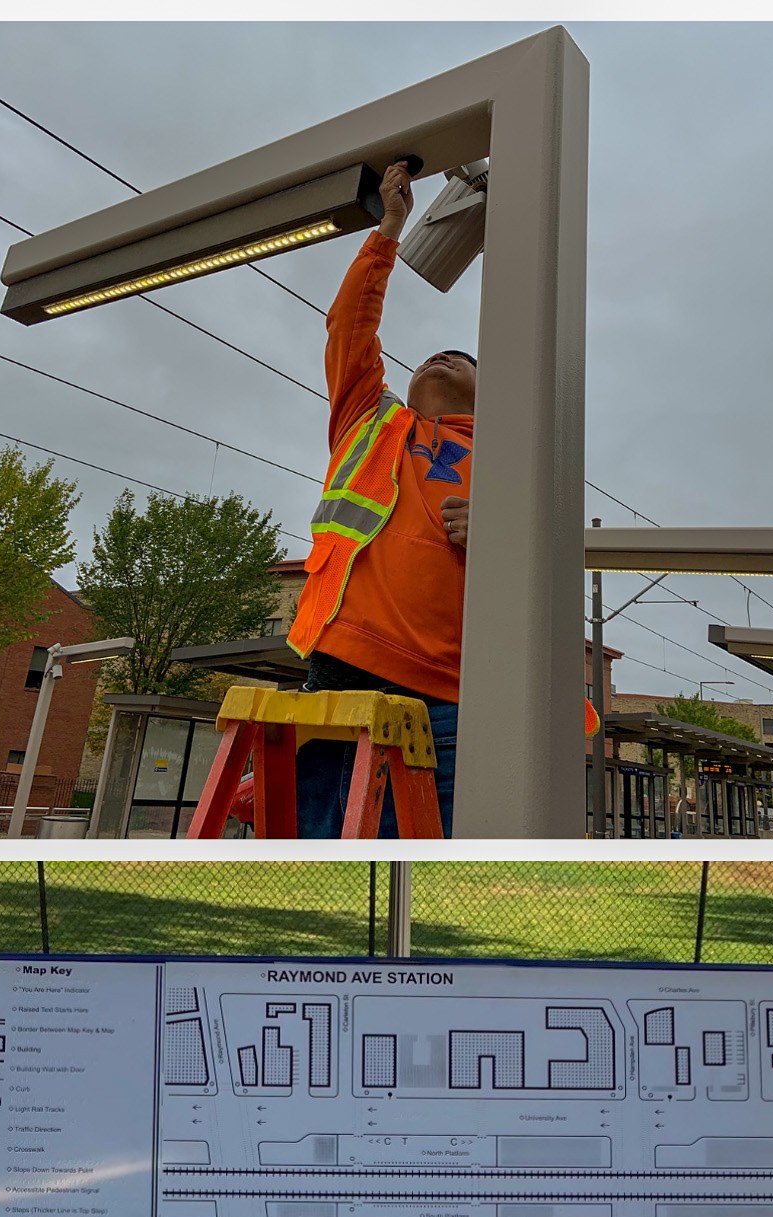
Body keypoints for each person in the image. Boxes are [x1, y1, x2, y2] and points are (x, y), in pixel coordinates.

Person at [284, 160, 472, 837]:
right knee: (314, 860)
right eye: (433, 354)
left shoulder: (513, 462)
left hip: (443, 693)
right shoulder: (370, 419)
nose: (442, 357)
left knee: (419, 866)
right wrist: (388, 231)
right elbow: (347, 329)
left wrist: (507, 535)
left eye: (464, 357)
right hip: (337, 667)